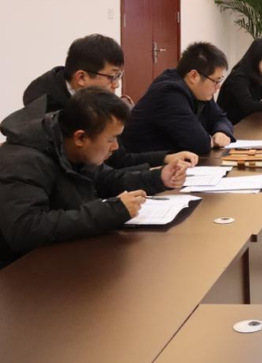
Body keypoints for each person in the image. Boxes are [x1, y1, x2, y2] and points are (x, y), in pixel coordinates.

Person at [0, 88, 189, 267]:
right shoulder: (24, 161)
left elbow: (107, 179)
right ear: (80, 138)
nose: (115, 147)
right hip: (22, 272)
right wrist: (111, 211)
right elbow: (25, 229)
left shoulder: (69, 146)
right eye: (110, 140)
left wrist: (158, 178)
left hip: (65, 257)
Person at [20, 34, 197, 169]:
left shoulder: (95, 105)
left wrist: (165, 158)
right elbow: (99, 177)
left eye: (119, 76)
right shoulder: (49, 117)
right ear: (81, 77)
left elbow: (119, 159)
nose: (117, 84)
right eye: (112, 76)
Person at [119, 42, 235, 157]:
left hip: (173, 162)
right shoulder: (168, 93)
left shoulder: (201, 91)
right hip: (143, 163)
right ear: (194, 76)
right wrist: (210, 140)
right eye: (216, 81)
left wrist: (221, 132)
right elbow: (199, 144)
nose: (218, 86)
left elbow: (221, 118)